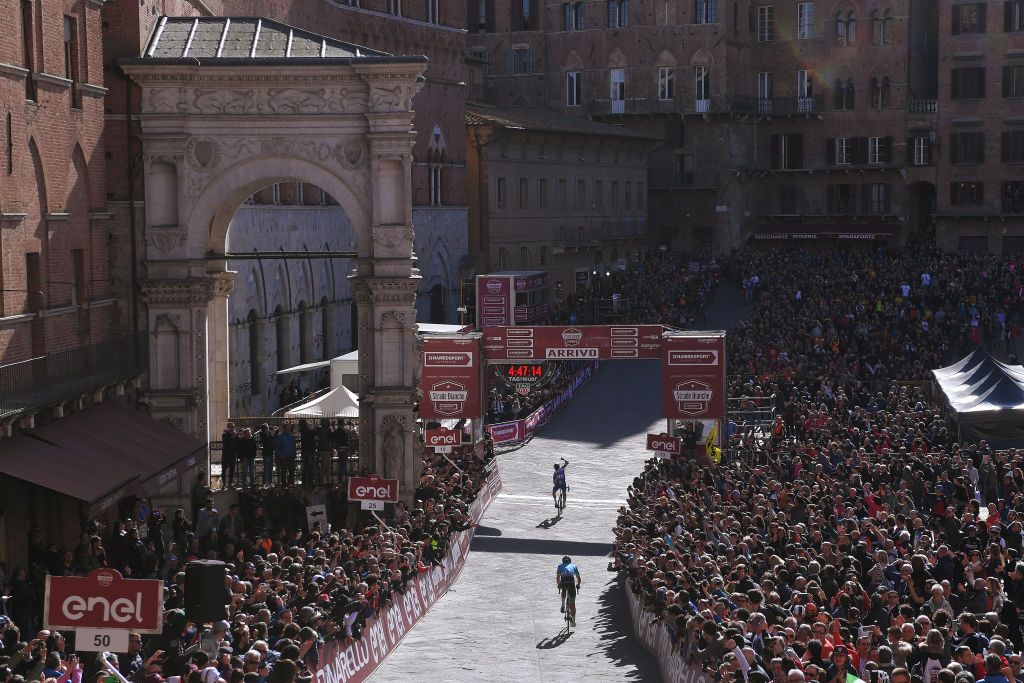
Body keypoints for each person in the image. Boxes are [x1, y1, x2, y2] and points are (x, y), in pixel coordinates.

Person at [556, 555, 582, 623]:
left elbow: (558, 577)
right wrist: (578, 585)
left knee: (563, 589)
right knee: (572, 604)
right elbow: (579, 578)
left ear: (563, 561)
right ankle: (573, 620)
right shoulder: (574, 566)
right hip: (571, 583)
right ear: (570, 562)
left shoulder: (560, 566)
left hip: (563, 581)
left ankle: (563, 604)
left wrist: (559, 585)